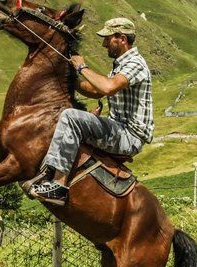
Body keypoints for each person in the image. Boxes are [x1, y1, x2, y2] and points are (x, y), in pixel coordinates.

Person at [29, 17, 153, 205]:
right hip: (119, 129)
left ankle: (58, 186)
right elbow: (96, 91)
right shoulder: (121, 64)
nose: (104, 44)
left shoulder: (135, 63)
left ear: (122, 39)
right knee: (73, 118)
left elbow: (108, 88)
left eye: (108, 38)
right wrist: (70, 81)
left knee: (70, 117)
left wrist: (81, 66)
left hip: (129, 136)